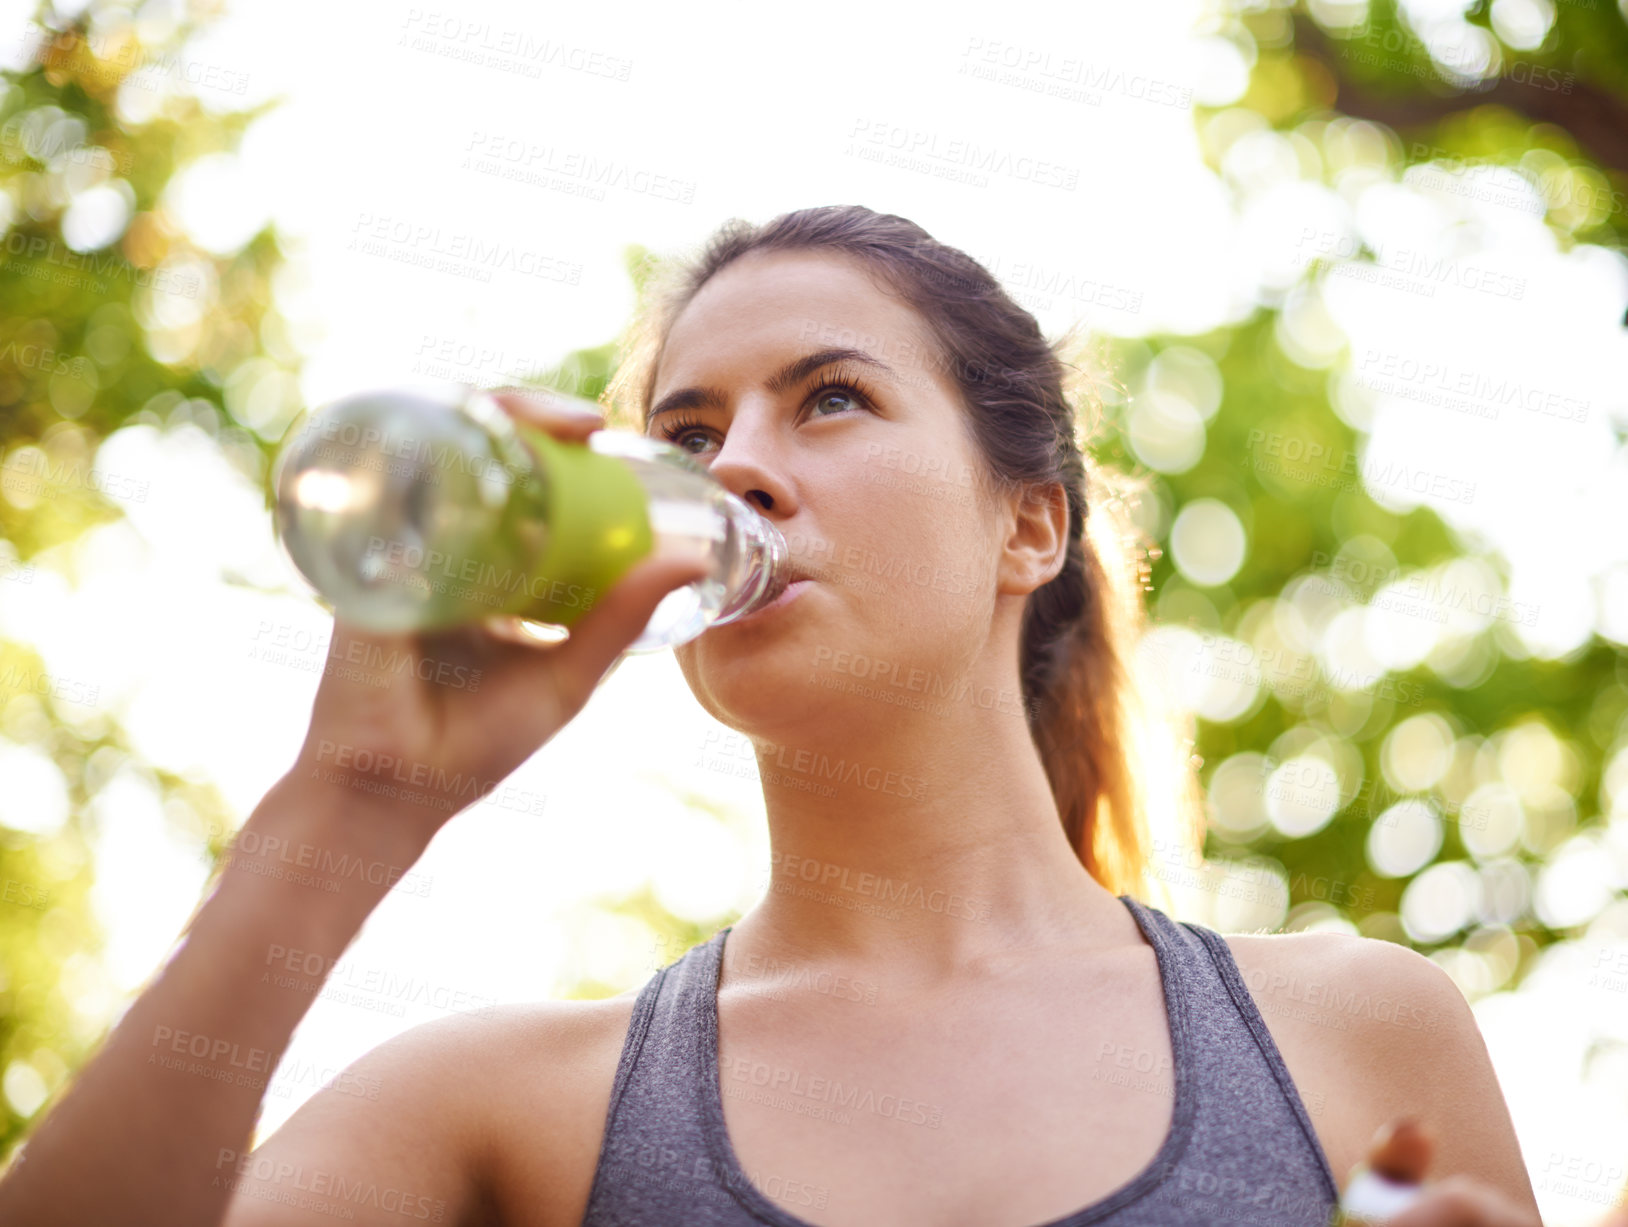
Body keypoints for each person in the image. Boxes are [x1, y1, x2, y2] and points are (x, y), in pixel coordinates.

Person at [0, 205, 1561, 1225]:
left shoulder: (1352, 1031)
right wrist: (349, 806)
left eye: (829, 397)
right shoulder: (511, 1109)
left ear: (1031, 526)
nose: (730, 462)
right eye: (686, 429)